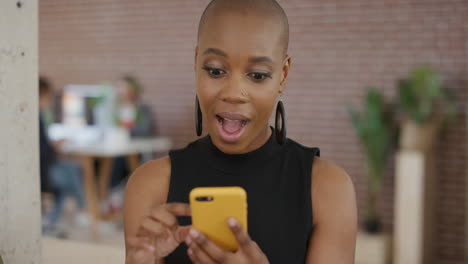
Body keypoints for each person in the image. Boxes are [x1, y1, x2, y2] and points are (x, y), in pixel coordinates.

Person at [124, 0, 357, 263]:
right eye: (215, 70)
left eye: (257, 75)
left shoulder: (328, 189)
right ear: (196, 63)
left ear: (283, 74)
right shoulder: (150, 185)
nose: (234, 93)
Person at [39, 77, 88, 234]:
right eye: (49, 96)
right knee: (72, 173)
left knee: (72, 171)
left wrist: (53, 145)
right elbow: (42, 151)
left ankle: (52, 221)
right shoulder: (35, 119)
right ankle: (83, 209)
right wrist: (55, 146)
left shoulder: (39, 118)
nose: (51, 100)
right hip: (43, 171)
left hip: (46, 167)